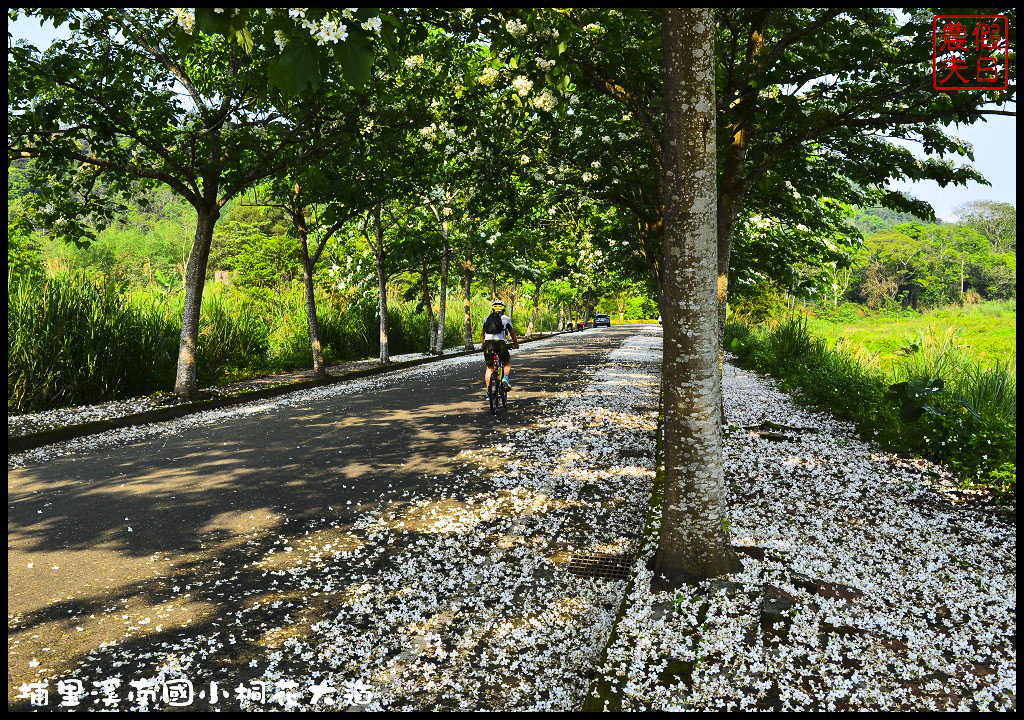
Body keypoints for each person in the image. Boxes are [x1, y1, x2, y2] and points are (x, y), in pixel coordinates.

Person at [481, 300, 519, 398]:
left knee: (489, 368)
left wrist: (483, 345)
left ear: (493, 309)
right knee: (507, 361)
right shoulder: (506, 319)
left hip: (488, 344)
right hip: (500, 344)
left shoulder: (486, 318)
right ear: (503, 309)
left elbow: (483, 333)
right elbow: (512, 333)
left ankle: (488, 392)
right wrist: (516, 344)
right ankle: (505, 378)